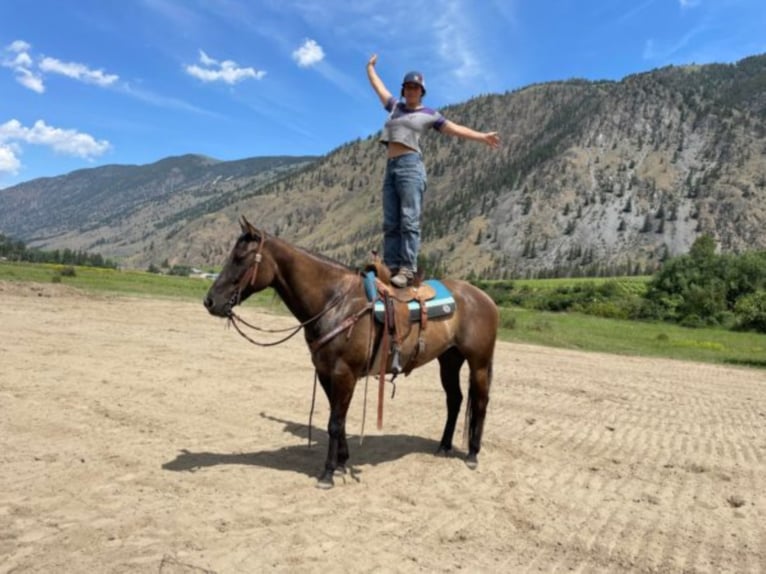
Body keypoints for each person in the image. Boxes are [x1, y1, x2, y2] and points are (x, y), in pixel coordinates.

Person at [366, 53, 501, 288]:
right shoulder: (394, 107)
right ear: (403, 90)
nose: (411, 90)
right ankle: (391, 267)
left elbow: (454, 128)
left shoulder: (429, 114)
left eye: (415, 87)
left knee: (409, 219)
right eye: (408, 87)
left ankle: (407, 269)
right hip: (391, 168)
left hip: (410, 166)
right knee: (391, 222)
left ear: (422, 91)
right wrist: (370, 68)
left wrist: (482, 136)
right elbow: (379, 88)